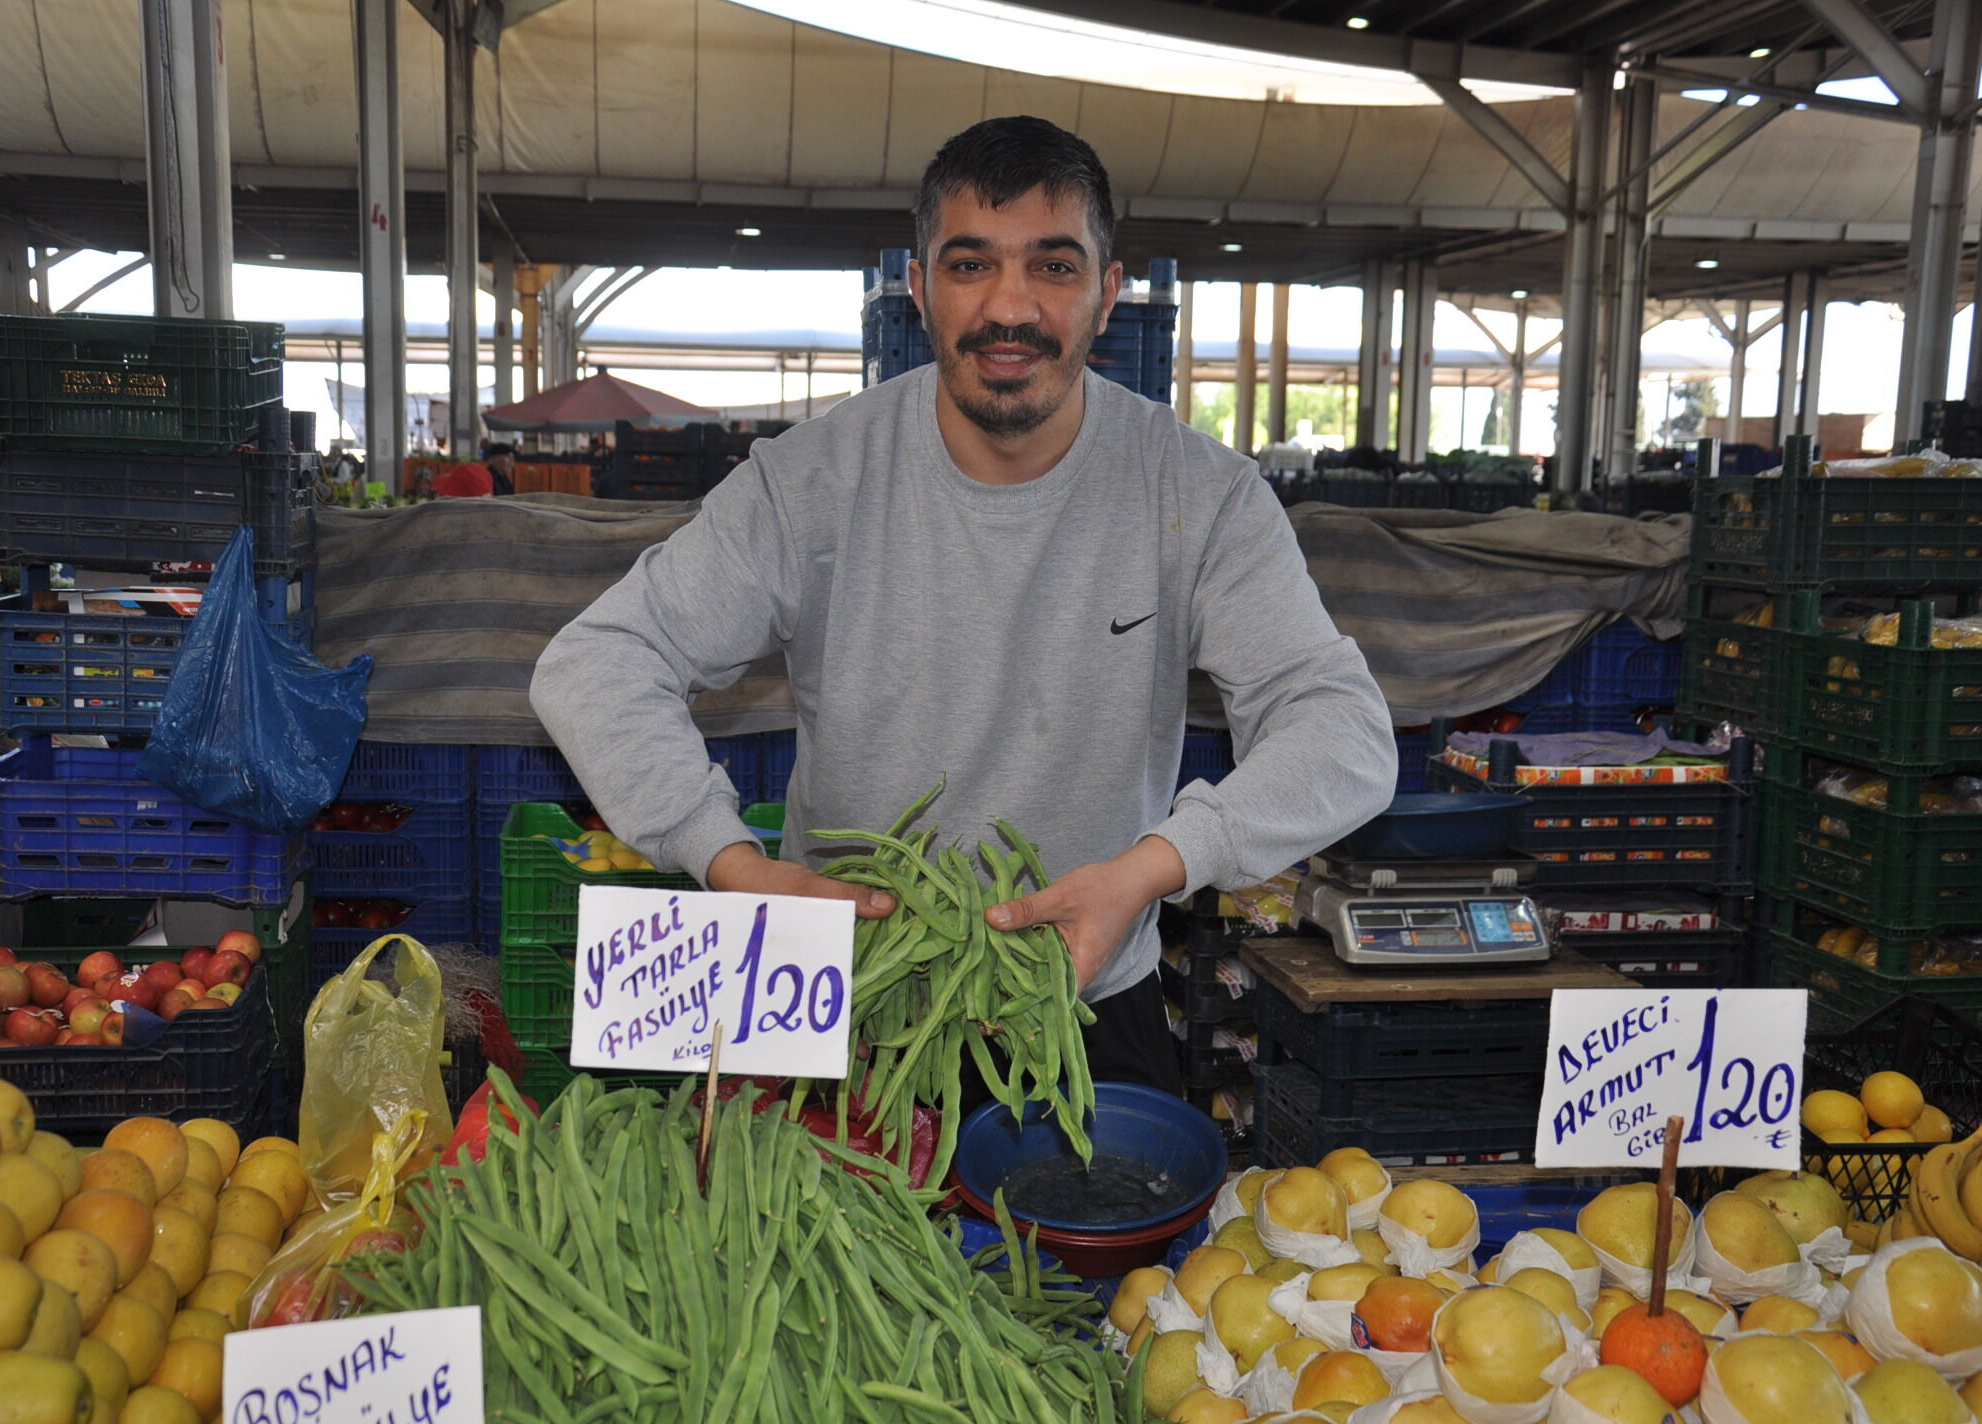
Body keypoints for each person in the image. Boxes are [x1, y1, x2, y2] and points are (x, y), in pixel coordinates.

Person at [532, 115, 1394, 1094]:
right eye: (971, 264)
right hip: (841, 998)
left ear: (1107, 293)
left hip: (1081, 995)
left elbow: (1345, 732)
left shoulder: (1199, 493)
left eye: (1054, 267)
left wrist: (1155, 865)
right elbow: (596, 665)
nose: (1009, 307)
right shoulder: (810, 481)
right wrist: (731, 862)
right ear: (918, 286)